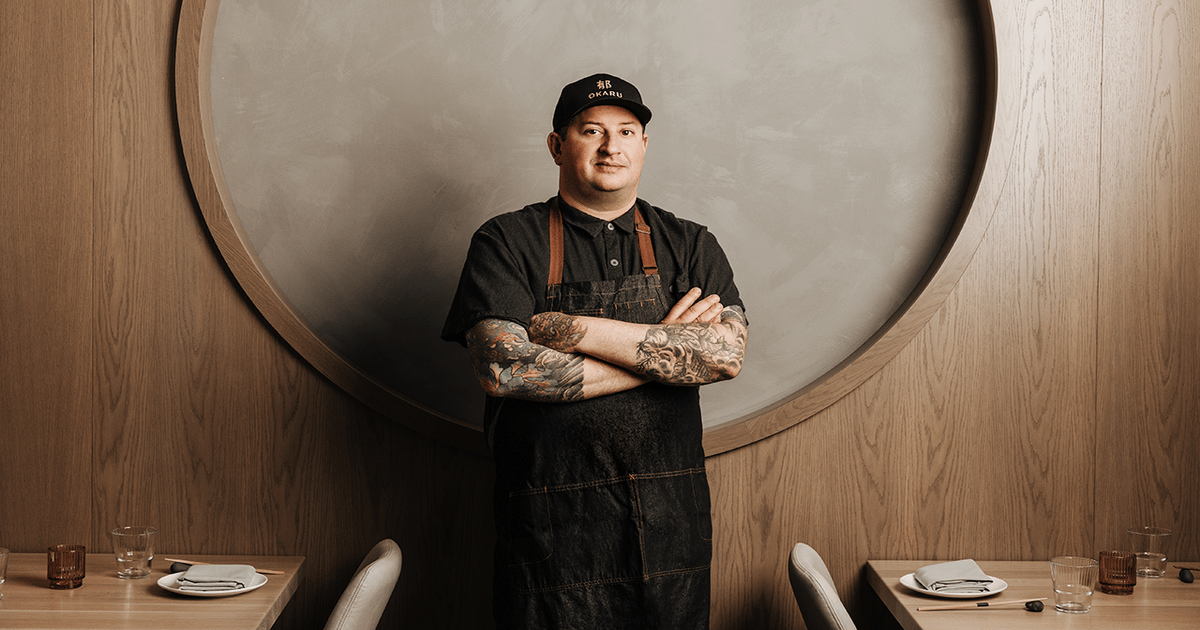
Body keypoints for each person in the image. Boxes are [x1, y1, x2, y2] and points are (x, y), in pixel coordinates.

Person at [442, 73, 748, 629]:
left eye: (626, 131)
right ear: (557, 145)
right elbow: (504, 368)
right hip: (549, 529)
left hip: (669, 528)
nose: (612, 147)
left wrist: (569, 329)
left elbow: (725, 355)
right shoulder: (506, 240)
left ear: (644, 144)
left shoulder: (691, 243)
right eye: (592, 131)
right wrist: (669, 352)